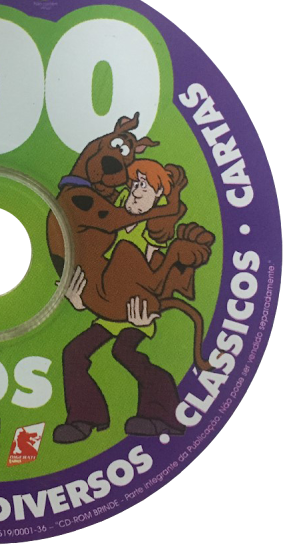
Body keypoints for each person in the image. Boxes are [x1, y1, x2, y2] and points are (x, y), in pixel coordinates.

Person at [54, 159, 186, 444]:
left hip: (136, 311)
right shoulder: (110, 223)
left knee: (124, 352)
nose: (136, 191)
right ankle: (85, 418)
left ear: (158, 197)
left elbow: (155, 278)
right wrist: (80, 300)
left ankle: (162, 415)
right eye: (135, 184)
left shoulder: (152, 234)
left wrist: (149, 310)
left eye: (145, 187)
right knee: (73, 352)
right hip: (106, 309)